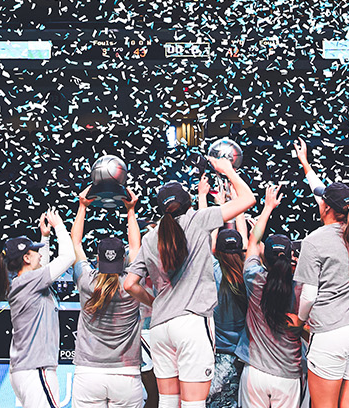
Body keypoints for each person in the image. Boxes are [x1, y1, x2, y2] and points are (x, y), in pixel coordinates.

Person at [123, 156, 255, 408]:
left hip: (161, 328)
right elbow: (248, 199)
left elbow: (130, 284)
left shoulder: (152, 236)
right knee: (194, 403)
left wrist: (155, 301)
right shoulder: (198, 220)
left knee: (168, 402)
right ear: (188, 203)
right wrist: (227, 170)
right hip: (191, 324)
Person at [292, 140, 349, 408]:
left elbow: (310, 295)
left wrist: (300, 320)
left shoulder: (313, 241)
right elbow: (321, 194)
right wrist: (305, 163)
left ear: (326, 208)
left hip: (330, 334)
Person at [0, 208, 75, 408]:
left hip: (25, 370)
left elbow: (43, 268)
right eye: (34, 251)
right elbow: (68, 257)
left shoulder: (24, 281)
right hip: (35, 370)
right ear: (26, 258)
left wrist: (45, 238)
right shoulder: (30, 280)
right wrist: (60, 227)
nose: (39, 254)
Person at [69, 185, 144, 408]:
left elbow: (75, 243)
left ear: (98, 259)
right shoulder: (131, 284)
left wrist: (82, 207)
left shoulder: (86, 281)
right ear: (124, 259)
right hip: (126, 375)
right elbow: (136, 246)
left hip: (88, 374)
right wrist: (131, 210)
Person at [240, 185, 305, 408]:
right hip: (288, 375)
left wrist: (267, 208)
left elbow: (251, 244)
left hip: (255, 373)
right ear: (291, 257)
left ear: (263, 257)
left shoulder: (253, 278)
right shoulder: (302, 289)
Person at [208, 179, 249, 408]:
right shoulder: (250, 275)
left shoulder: (213, 273)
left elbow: (208, 244)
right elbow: (246, 245)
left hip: (220, 359)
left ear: (217, 251)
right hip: (247, 358)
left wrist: (218, 208)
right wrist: (237, 205)